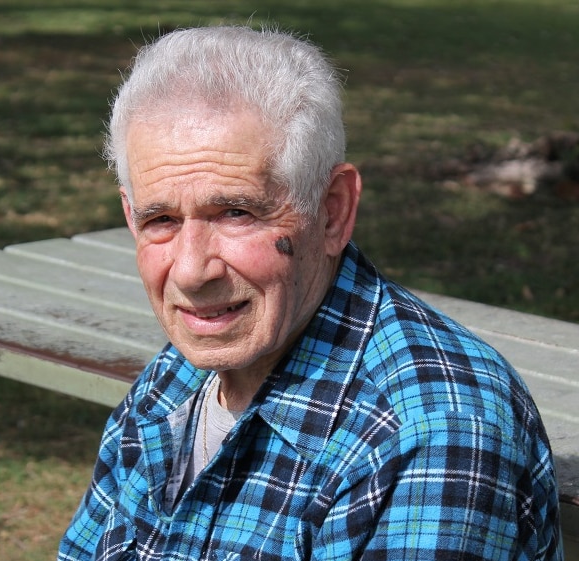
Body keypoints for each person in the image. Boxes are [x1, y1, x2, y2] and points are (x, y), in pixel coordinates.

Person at [58, 25, 562, 560]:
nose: (189, 272)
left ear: (332, 212)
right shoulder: (182, 372)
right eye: (159, 219)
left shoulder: (434, 431)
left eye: (236, 212)